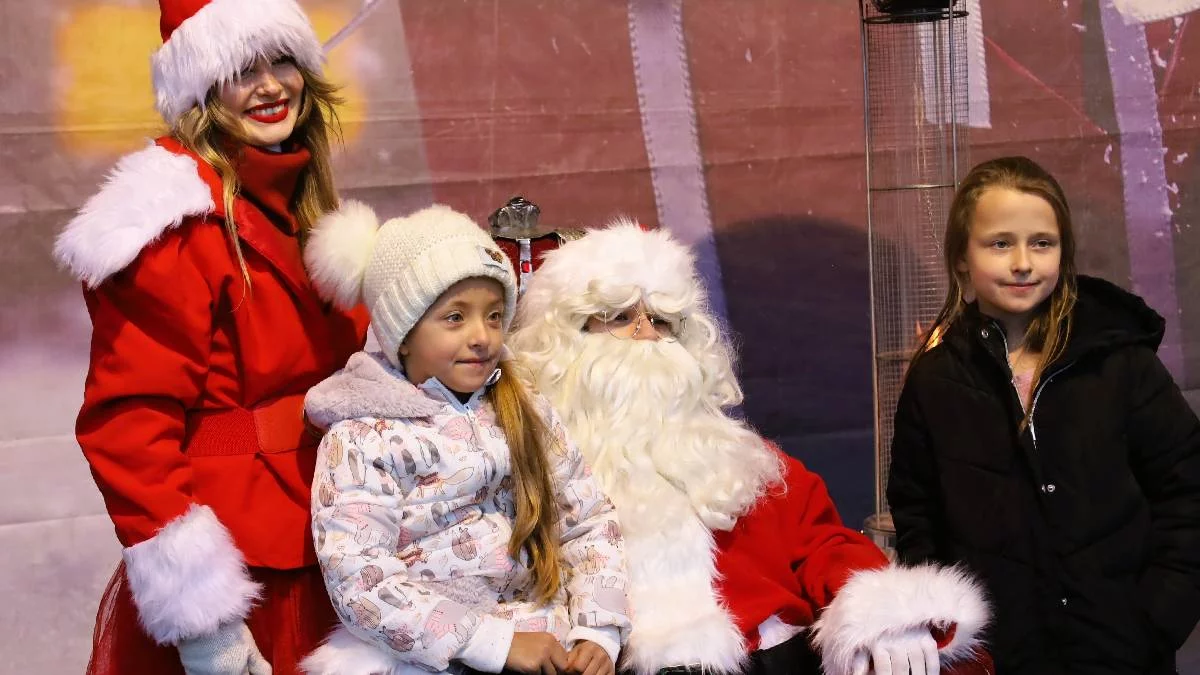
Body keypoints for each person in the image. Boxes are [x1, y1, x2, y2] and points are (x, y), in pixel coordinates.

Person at [507, 222, 991, 675]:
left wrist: (883, 610)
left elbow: (826, 546)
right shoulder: (512, 469)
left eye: (661, 319)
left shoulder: (735, 460)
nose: (647, 335)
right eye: (618, 317)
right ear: (564, 342)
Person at [52, 1, 369, 672]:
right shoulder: (174, 229)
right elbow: (128, 426)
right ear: (199, 89)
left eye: (282, 60)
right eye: (241, 69)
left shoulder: (298, 201)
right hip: (244, 562)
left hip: (334, 529)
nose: (271, 85)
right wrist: (205, 620)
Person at [887, 156, 1200, 674]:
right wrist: (950, 634)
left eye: (1042, 243)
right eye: (1000, 243)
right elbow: (918, 517)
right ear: (962, 258)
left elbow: (1187, 489)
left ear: (1063, 251)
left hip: (1121, 655)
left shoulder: (1120, 361)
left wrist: (1156, 619)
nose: (1023, 263)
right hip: (996, 658)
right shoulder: (935, 380)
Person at [297, 202, 631, 675]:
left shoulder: (525, 406)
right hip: (429, 657)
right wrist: (494, 644)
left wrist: (599, 629)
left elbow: (588, 519)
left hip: (548, 640)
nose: (482, 336)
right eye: (455, 317)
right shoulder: (362, 436)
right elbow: (360, 581)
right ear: (402, 333)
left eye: (494, 316)